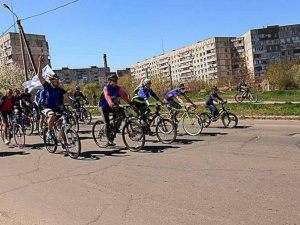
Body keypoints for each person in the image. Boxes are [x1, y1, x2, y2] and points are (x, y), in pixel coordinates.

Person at [37, 55, 75, 140]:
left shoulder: (60, 89)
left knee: (60, 124)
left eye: (58, 81)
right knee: (52, 115)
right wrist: (40, 64)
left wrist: (74, 108)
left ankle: (65, 143)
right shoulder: (47, 86)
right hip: (46, 106)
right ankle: (49, 132)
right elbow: (39, 76)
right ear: (52, 81)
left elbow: (68, 99)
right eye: (56, 81)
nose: (58, 82)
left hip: (56, 107)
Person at [99, 74, 132, 147]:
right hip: (103, 106)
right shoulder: (106, 88)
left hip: (112, 105)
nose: (116, 82)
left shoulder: (117, 88)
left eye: (116, 81)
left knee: (121, 113)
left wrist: (130, 102)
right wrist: (111, 104)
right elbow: (107, 96)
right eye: (114, 81)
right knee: (107, 123)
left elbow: (123, 96)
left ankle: (115, 127)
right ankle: (108, 140)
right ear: (110, 82)